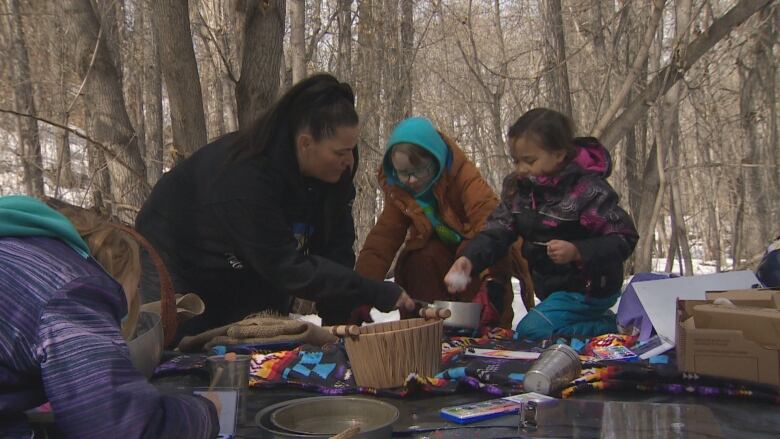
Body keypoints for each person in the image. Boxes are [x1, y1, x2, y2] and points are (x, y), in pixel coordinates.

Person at [136, 73, 414, 335]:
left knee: (265, 332)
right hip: (173, 252)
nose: (349, 161)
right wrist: (374, 291)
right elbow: (287, 268)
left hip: (244, 263)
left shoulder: (334, 174)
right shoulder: (248, 177)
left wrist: (342, 321)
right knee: (179, 345)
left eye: (352, 149)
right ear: (306, 144)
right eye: (340, 152)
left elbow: (335, 252)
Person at [0, 195, 219, 439]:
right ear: (116, 268)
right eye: (129, 297)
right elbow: (120, 427)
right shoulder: (73, 289)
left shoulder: (14, 251)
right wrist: (205, 413)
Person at [445, 108, 638, 339]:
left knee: (531, 331)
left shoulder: (587, 190)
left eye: (529, 161)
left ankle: (607, 328)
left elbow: (623, 236)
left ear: (559, 154)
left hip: (590, 288)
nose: (521, 168)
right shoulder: (520, 189)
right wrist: (469, 259)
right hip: (553, 289)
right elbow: (498, 229)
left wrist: (578, 251)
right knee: (537, 329)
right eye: (516, 161)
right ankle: (593, 323)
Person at [354, 116, 534, 328]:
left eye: (418, 171)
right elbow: (382, 242)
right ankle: (424, 327)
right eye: (403, 173)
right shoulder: (401, 192)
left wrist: (493, 284)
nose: (411, 180)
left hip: (475, 258)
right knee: (420, 257)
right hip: (437, 265)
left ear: (436, 160)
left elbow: (491, 226)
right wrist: (361, 291)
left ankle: (482, 323)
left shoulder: (463, 176)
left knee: (470, 253)